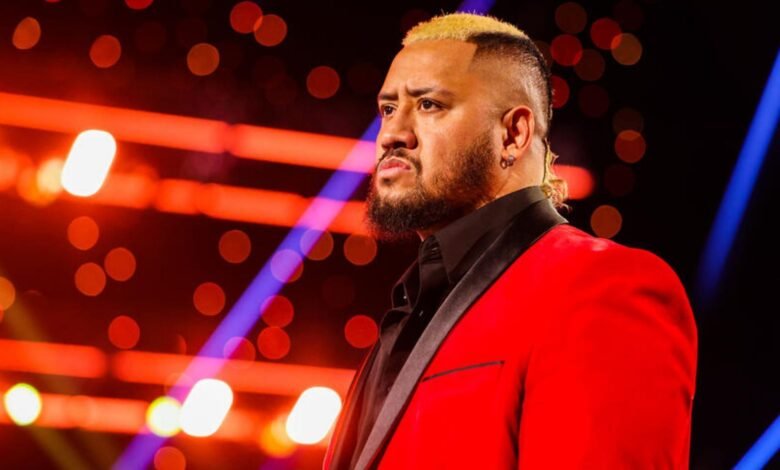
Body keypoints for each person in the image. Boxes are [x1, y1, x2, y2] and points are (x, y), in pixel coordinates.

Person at [323, 12, 697, 470]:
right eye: (387, 109)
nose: (392, 135)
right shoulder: (410, 307)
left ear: (513, 133)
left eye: (429, 105)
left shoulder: (601, 285)